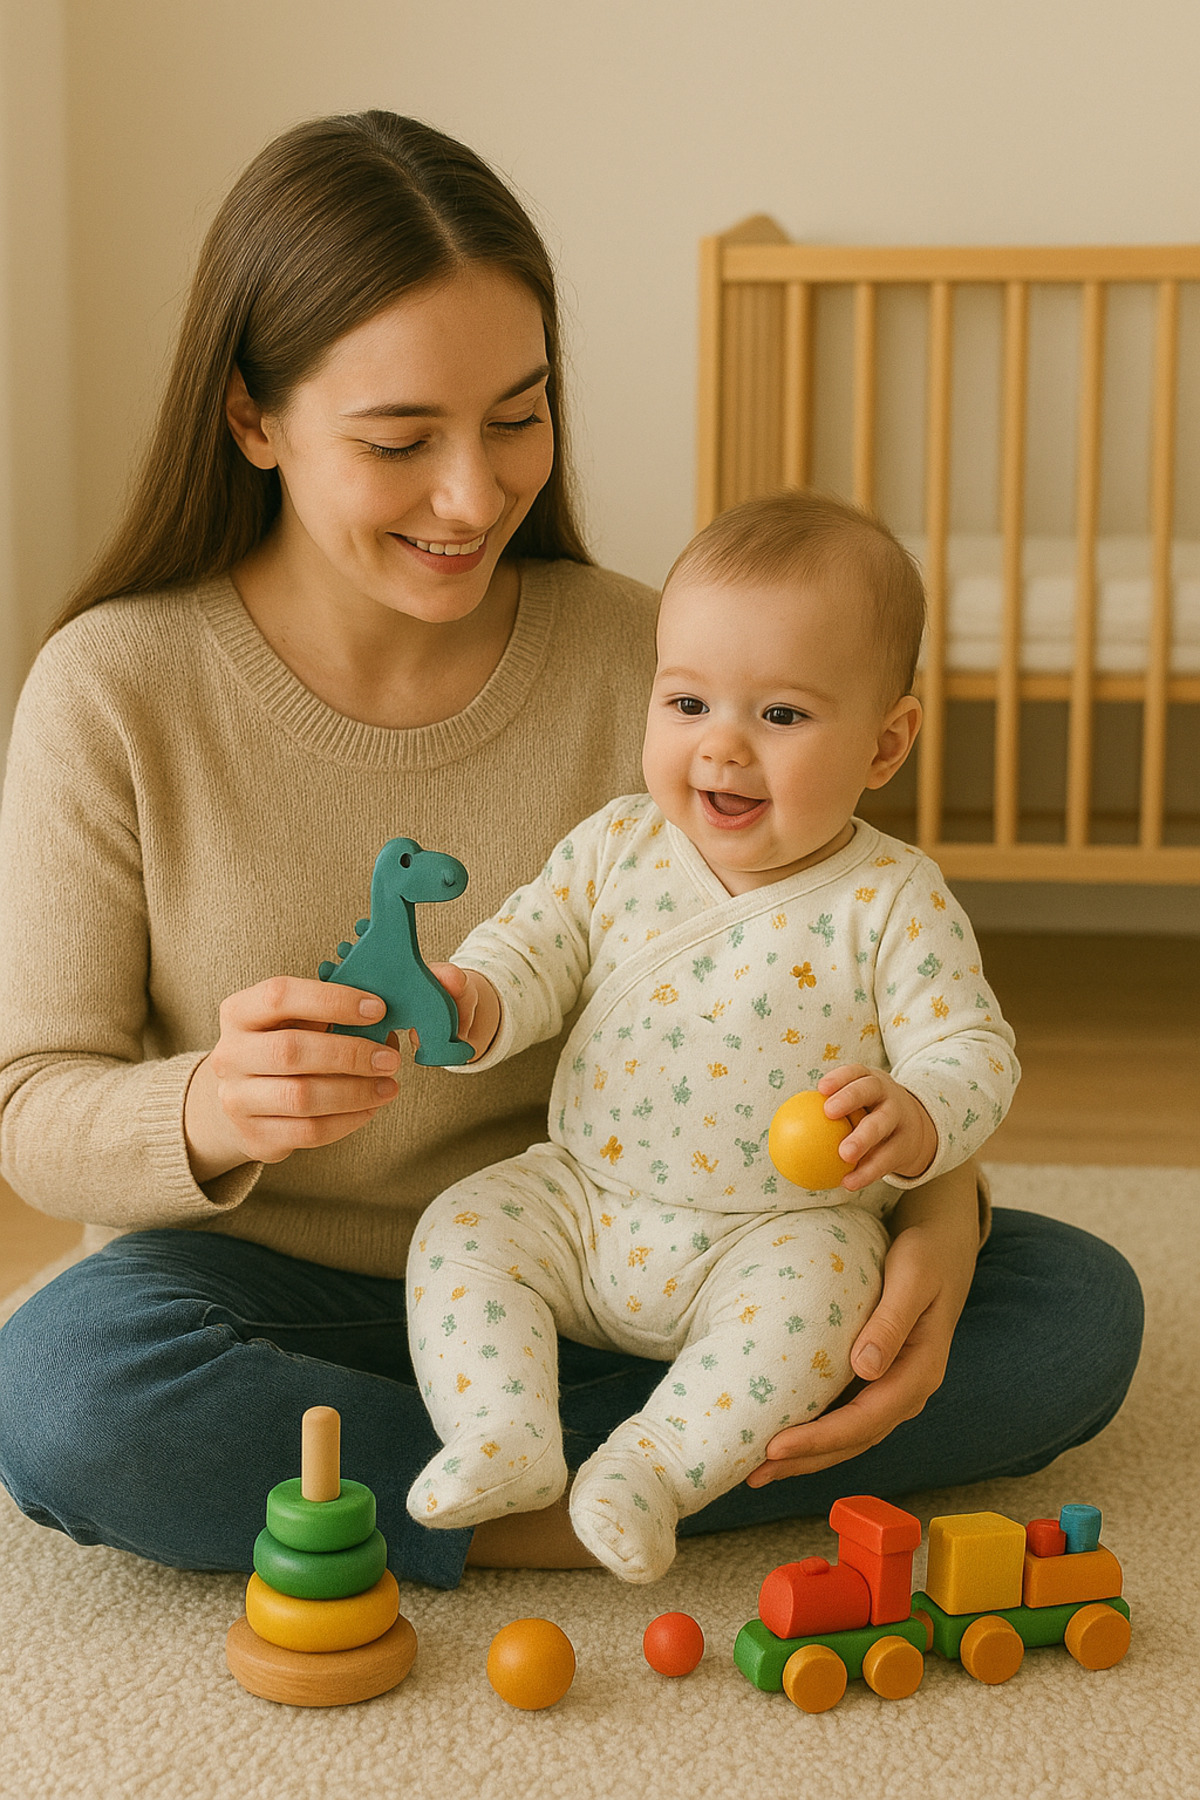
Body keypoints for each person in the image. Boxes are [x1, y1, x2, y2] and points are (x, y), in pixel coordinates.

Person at [0, 112, 1142, 1591]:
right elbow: (33, 1105)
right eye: (402, 440)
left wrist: (936, 1219)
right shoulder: (115, 690)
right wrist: (213, 1107)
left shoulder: (653, 669)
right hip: (281, 1285)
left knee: (1072, 1310)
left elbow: (858, 986)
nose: (475, 495)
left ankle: (464, 1491)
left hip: (659, 1245)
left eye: (519, 415)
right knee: (72, 1391)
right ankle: (612, 1481)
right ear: (252, 417)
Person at [402, 491, 1020, 1582]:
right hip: (586, 1198)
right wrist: (474, 1001)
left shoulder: (889, 899)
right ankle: (503, 1433)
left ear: (886, 743)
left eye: (780, 717)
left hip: (775, 1233)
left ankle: (654, 1466)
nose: (722, 747)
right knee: (463, 1229)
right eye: (686, 702)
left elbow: (972, 1049)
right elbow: (531, 946)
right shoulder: (618, 845)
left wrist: (921, 1116)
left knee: (828, 1296)